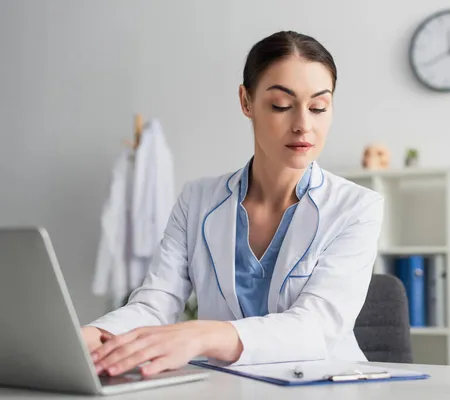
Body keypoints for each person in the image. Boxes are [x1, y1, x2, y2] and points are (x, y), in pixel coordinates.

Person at [82, 30, 384, 378]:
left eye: (319, 107)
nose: (303, 125)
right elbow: (155, 305)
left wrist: (203, 335)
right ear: (246, 101)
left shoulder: (357, 207)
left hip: (324, 386)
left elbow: (316, 325)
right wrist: (88, 337)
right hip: (225, 388)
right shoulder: (197, 199)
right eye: (281, 106)